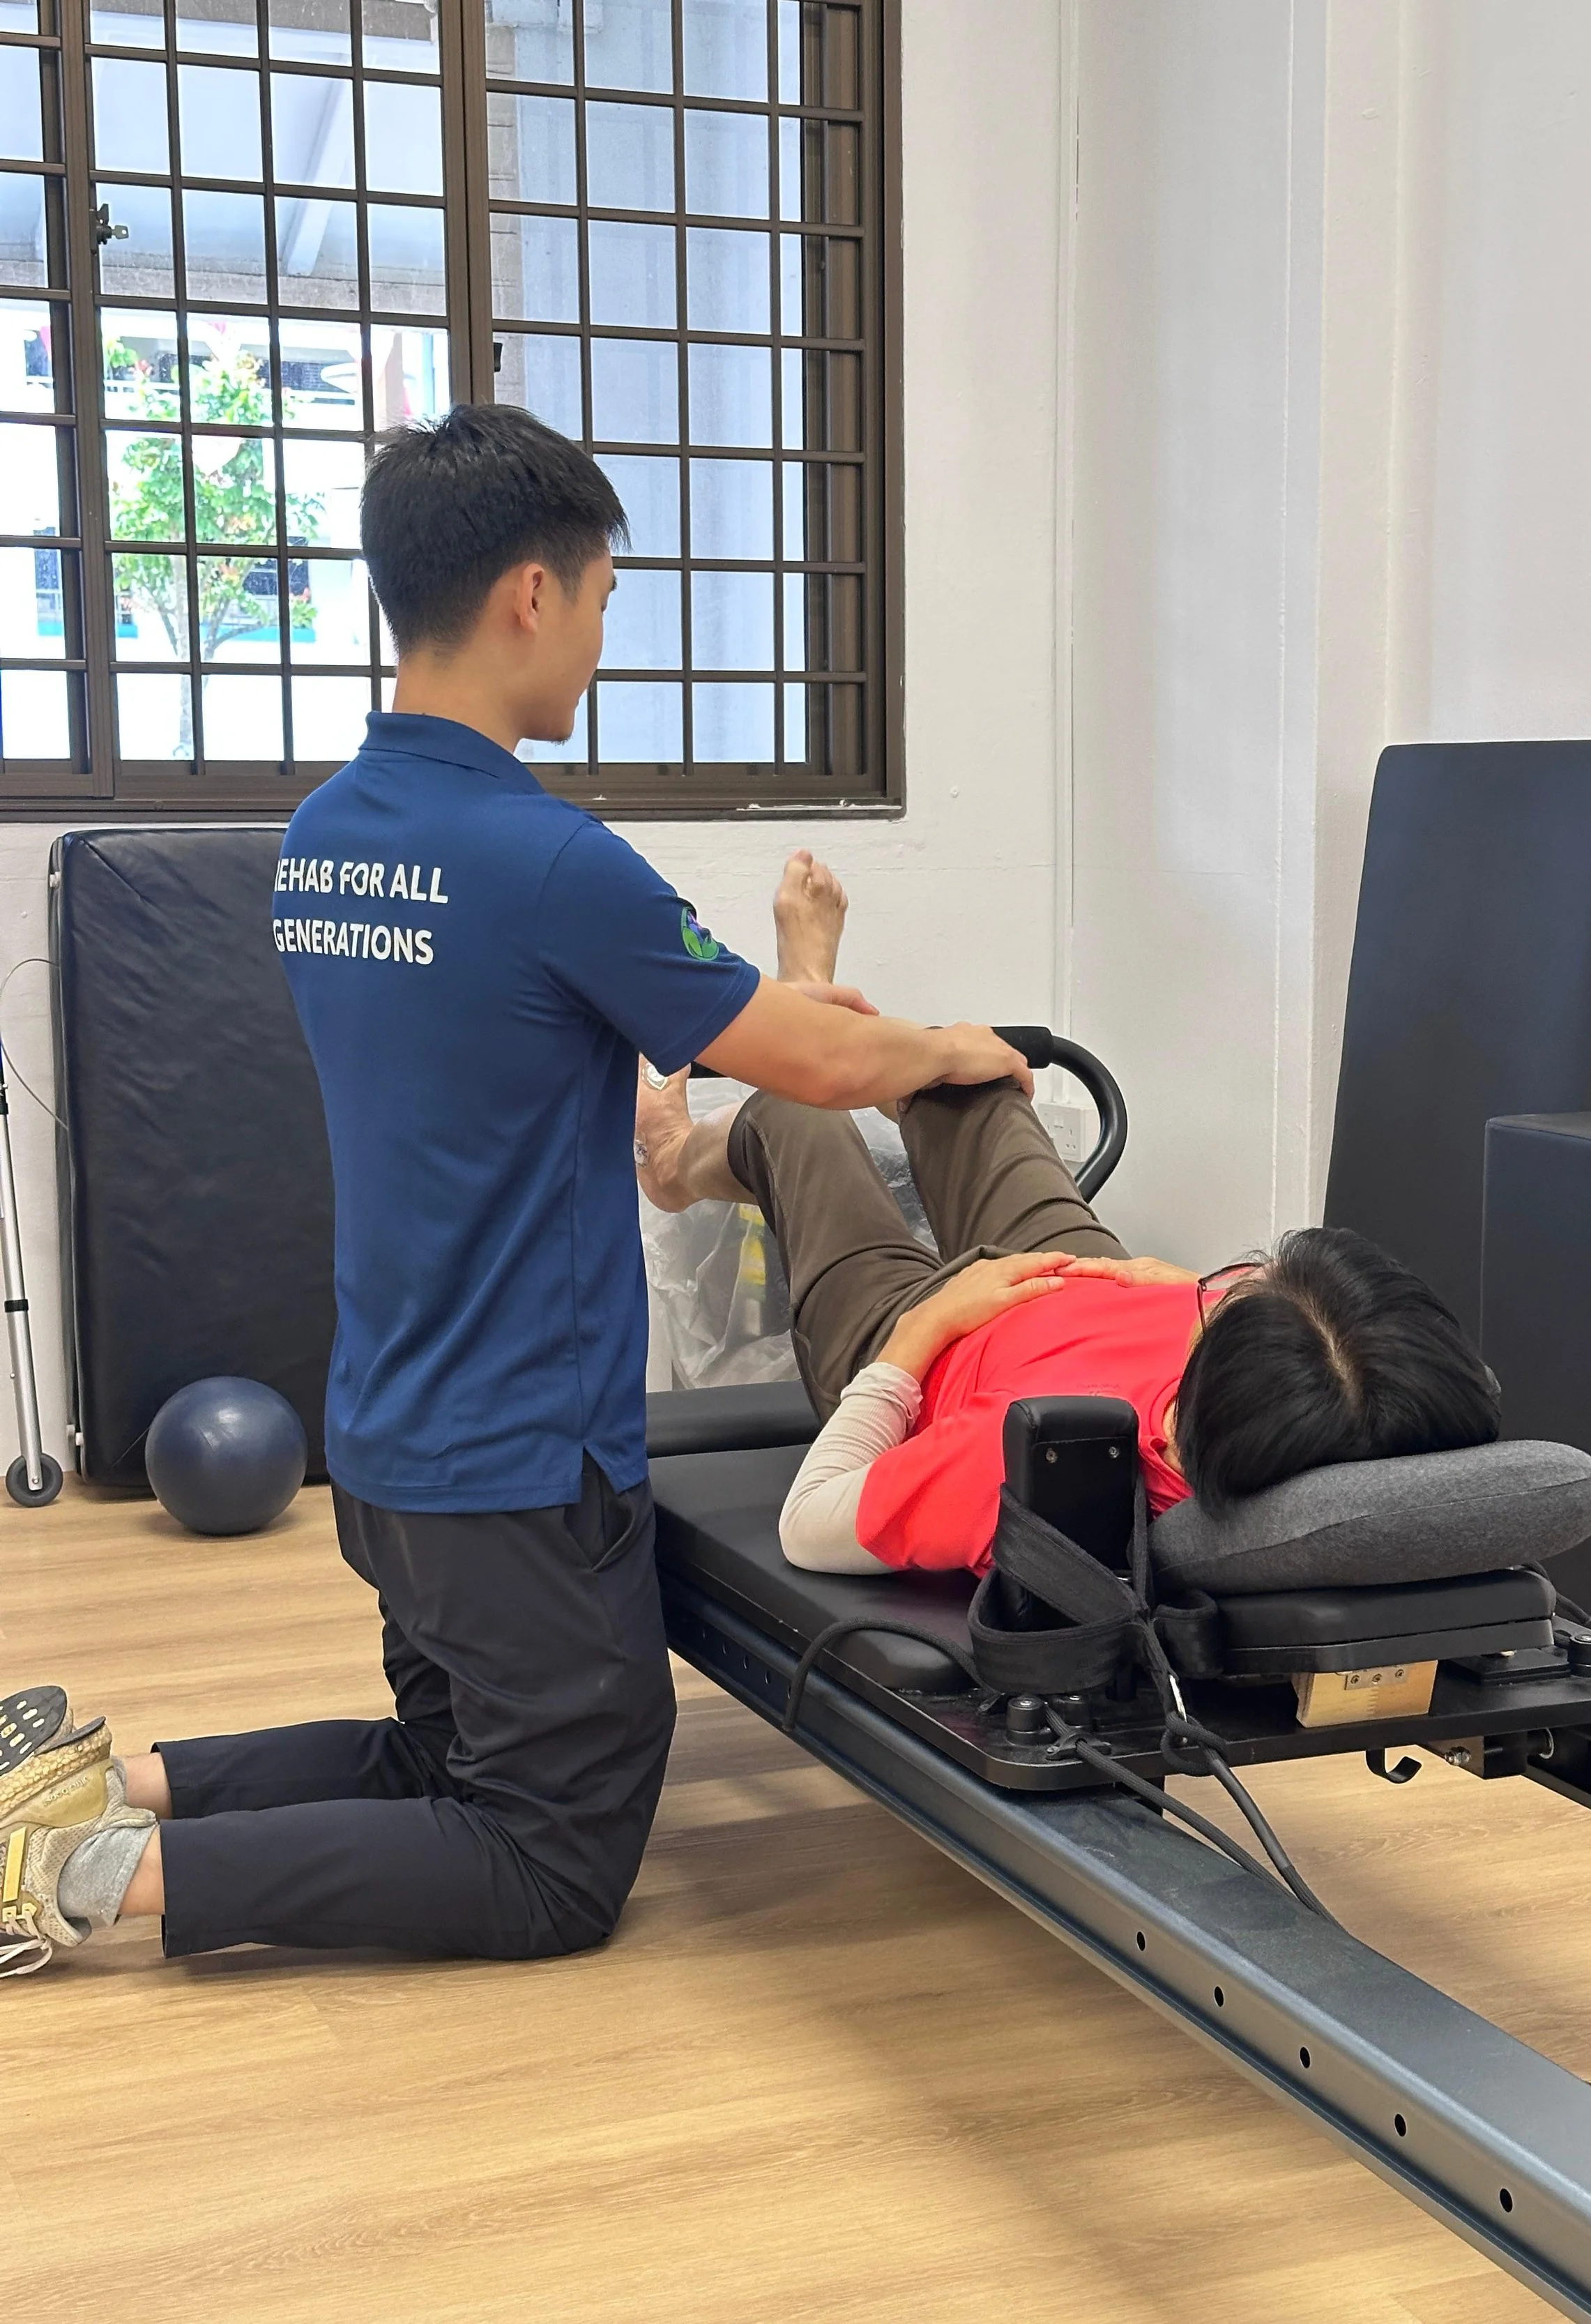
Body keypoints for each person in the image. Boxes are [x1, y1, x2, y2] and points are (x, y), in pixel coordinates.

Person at [0, 405, 1030, 1980]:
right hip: (518, 1457)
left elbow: (514, 1046)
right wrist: (970, 1046)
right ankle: (89, 1877)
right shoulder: (550, 861)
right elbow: (816, 1072)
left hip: (391, 1435)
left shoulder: (331, 840)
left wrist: (773, 989)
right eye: (609, 599)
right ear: (530, 596)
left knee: (453, 1766)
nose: (605, 642)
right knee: (549, 1862)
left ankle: (90, 1786)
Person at [634, 868, 1502, 1579]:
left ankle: (679, 1155)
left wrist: (924, 1330)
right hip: (1086, 1277)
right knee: (976, 1075)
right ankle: (814, 1025)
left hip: (932, 1338)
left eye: (1244, 1305)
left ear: (1178, 1426)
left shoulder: (1039, 1464)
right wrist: (1190, 1291)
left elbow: (812, 1522)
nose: (1239, 1289)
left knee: (797, 1116)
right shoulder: (1343, 1386)